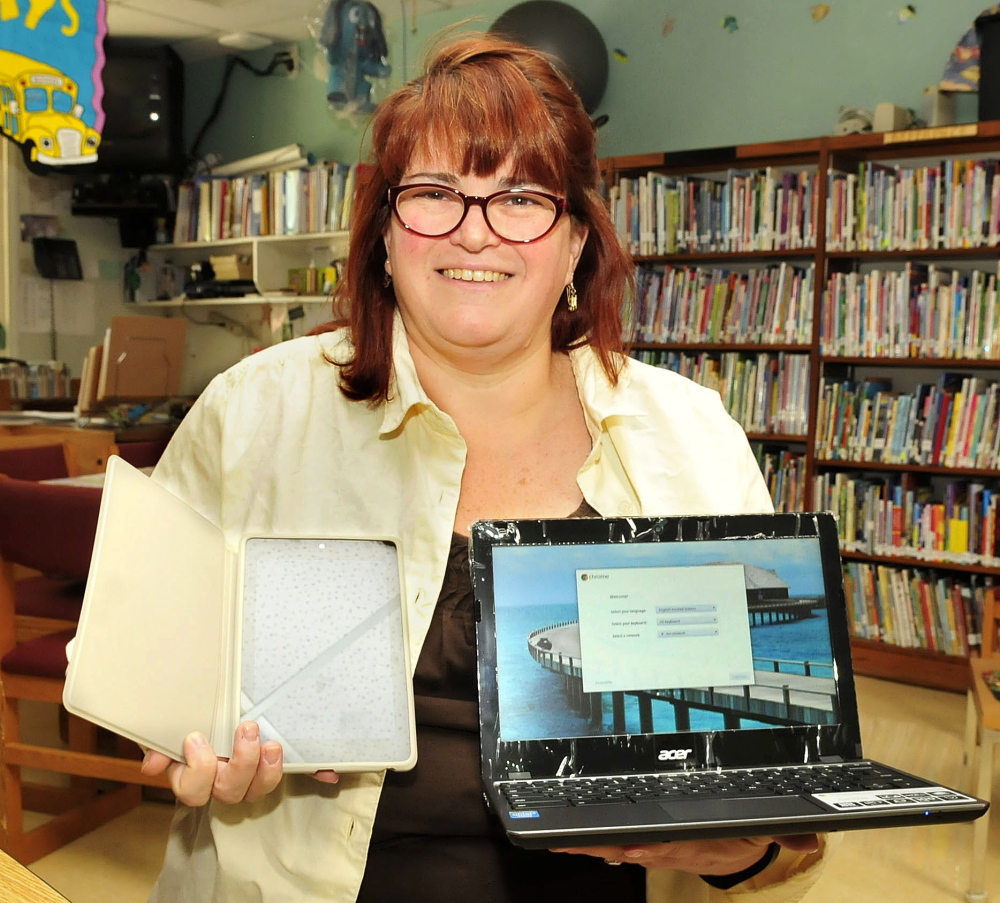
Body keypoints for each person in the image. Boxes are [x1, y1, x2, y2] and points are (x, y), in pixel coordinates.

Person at [141, 34, 831, 903]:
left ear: (576, 238)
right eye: (434, 194)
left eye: (520, 199)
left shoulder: (690, 437)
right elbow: (145, 678)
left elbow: (793, 830)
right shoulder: (254, 415)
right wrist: (182, 735)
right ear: (385, 234)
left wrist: (737, 848)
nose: (475, 231)